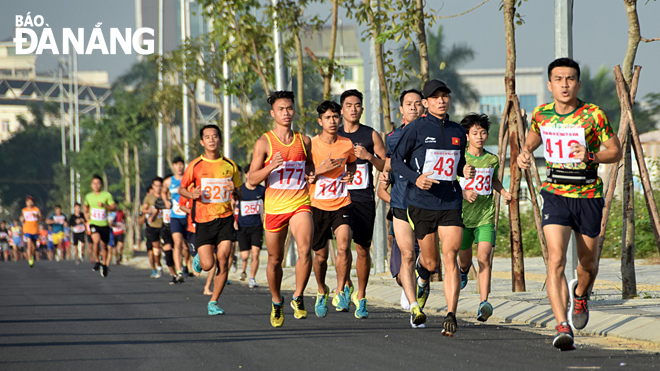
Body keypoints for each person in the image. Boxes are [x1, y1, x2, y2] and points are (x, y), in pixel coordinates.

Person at [517, 58, 622, 351]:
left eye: (570, 79)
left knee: (587, 264)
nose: (564, 84)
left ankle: (580, 294)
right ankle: (561, 324)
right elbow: (531, 141)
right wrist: (524, 153)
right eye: (559, 79)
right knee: (555, 259)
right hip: (555, 194)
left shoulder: (593, 115)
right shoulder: (542, 113)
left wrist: (590, 156)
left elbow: (615, 151)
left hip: (588, 195)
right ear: (549, 84)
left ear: (578, 83)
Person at [391, 79, 476, 336]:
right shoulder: (415, 128)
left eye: (445, 96)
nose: (441, 100)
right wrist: (416, 178)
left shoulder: (457, 131)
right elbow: (396, 160)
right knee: (432, 262)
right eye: (435, 97)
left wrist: (464, 170)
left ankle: (451, 314)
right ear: (426, 103)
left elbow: (458, 163)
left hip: (450, 200)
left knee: (450, 257)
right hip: (421, 202)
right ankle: (423, 274)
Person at [248, 91, 315, 327]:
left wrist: (312, 173)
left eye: (289, 108)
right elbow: (252, 179)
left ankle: (298, 296)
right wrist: (270, 167)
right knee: (275, 259)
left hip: (300, 203)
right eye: (281, 109)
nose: (286, 113)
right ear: (272, 113)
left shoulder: (304, 141)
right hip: (275, 208)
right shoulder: (264, 142)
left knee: (305, 250)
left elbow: (309, 166)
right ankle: (277, 301)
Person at [179, 124, 242, 315]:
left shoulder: (230, 165)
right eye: (207, 137)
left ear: (220, 139)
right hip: (204, 221)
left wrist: (235, 191)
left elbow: (239, 191)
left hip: (225, 219)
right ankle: (200, 257)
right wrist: (192, 194)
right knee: (208, 265)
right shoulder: (195, 165)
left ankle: (213, 302)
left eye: (215, 136)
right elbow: (182, 189)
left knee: (223, 260)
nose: (212, 140)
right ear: (202, 141)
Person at [377, 89, 427, 327]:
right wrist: (386, 177)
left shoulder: (433, 134)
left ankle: (422, 282)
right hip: (400, 201)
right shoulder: (393, 137)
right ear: (402, 109)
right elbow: (389, 164)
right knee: (406, 256)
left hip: (429, 203)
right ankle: (414, 306)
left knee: (429, 262)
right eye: (409, 104)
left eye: (418, 104)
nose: (414, 108)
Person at [457, 113, 513, 322]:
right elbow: (450, 183)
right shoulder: (459, 158)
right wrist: (464, 193)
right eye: (475, 133)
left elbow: (495, 180)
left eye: (482, 133)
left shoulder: (492, 159)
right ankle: (463, 271)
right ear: (467, 136)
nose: (479, 137)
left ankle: (484, 303)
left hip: (485, 217)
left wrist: (504, 192)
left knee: (483, 258)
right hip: (462, 218)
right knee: (465, 260)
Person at [336, 89, 386, 312]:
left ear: (362, 109)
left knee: (363, 249)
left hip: (364, 198)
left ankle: (362, 295)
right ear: (341, 110)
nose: (353, 109)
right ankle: (344, 286)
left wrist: (369, 157)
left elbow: (385, 165)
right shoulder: (333, 136)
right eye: (349, 105)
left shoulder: (371, 134)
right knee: (342, 246)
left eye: (357, 105)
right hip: (339, 199)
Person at [307, 101, 358, 318]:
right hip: (317, 205)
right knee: (320, 256)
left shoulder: (347, 143)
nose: (332, 121)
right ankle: (321, 290)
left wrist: (349, 174)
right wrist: (321, 170)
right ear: (320, 121)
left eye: (335, 117)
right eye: (328, 118)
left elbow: (352, 162)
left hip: (341, 202)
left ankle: (340, 291)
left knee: (344, 245)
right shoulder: (311, 145)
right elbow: (306, 174)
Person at [162, 156, 191, 281]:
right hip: (175, 217)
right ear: (173, 166)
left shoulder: (188, 179)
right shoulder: (169, 181)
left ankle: (185, 264)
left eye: (181, 164)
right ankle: (179, 272)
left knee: (186, 246)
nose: (179, 167)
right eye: (176, 164)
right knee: (177, 243)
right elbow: (163, 191)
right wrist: (166, 201)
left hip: (187, 216)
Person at [236, 166, 266, 289]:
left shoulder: (262, 190)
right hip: (243, 226)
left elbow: (266, 206)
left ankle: (252, 278)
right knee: (244, 255)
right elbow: (234, 205)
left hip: (257, 226)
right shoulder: (240, 190)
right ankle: (243, 270)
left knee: (256, 253)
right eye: (250, 174)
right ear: (246, 175)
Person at [84, 174, 117, 277]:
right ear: (91, 185)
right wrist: (86, 216)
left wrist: (105, 206)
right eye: (94, 183)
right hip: (94, 223)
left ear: (101, 184)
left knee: (104, 245)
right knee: (96, 241)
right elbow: (85, 207)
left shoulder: (106, 195)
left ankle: (104, 265)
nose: (96, 185)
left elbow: (113, 207)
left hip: (104, 224)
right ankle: (97, 261)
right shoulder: (88, 196)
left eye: (98, 183)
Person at [142, 179, 164, 278]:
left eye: (160, 186)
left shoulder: (166, 197)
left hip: (165, 225)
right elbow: (143, 209)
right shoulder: (149, 197)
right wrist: (150, 210)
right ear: (153, 186)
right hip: (153, 225)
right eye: (156, 186)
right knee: (155, 248)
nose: (158, 188)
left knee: (166, 246)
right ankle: (157, 267)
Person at [22, 195, 43, 267]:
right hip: (27, 230)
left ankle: (32, 256)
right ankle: (29, 260)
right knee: (29, 245)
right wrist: (21, 219)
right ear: (26, 203)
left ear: (33, 202)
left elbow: (41, 219)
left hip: (35, 231)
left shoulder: (36, 209)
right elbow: (22, 219)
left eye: (31, 201)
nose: (29, 203)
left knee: (34, 247)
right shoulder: (24, 210)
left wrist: (37, 216)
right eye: (28, 201)